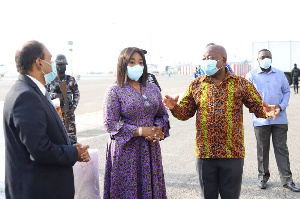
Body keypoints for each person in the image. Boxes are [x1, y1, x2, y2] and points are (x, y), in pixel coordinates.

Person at [163, 45, 278, 199]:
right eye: (204, 58)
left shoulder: (240, 84)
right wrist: (174, 108)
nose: (206, 61)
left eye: (210, 58)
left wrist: (267, 111)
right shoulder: (196, 84)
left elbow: (257, 106)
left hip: (232, 154)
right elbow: (185, 113)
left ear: (223, 60)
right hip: (205, 155)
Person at [3, 40, 90, 199]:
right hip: (38, 190)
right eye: (49, 60)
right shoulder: (26, 96)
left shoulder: (33, 91)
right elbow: (40, 149)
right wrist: (73, 153)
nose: (52, 65)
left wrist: (72, 145)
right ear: (39, 63)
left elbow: (47, 132)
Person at [103, 47, 170, 198]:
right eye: (132, 62)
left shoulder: (152, 88)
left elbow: (162, 114)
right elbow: (110, 123)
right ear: (123, 64)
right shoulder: (115, 90)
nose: (137, 66)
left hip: (149, 148)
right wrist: (140, 131)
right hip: (126, 151)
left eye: (140, 62)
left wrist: (158, 129)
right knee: (128, 190)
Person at [246, 49, 300, 192]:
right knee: (262, 149)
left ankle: (287, 180)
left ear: (272, 58)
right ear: (257, 59)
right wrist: (261, 109)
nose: (266, 59)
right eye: (263, 57)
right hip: (261, 120)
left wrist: (280, 107)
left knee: (282, 149)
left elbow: (286, 91)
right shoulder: (251, 76)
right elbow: (248, 97)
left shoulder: (280, 74)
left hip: (279, 118)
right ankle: (263, 177)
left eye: (268, 57)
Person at [46, 54, 80, 141]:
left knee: (72, 140)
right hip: (56, 114)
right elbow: (45, 94)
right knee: (57, 139)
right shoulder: (50, 81)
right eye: (59, 65)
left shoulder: (71, 80)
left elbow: (76, 94)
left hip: (69, 114)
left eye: (63, 65)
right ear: (56, 66)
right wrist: (55, 96)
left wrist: (73, 108)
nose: (61, 67)